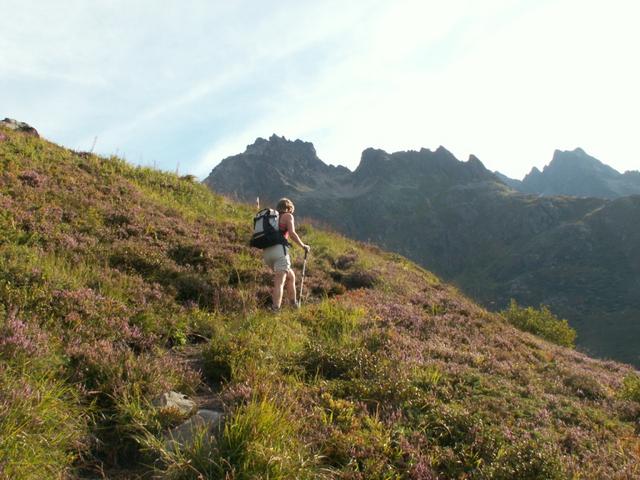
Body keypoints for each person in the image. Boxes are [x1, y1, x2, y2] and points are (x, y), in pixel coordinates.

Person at [263, 198, 310, 311]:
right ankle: (275, 309)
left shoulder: (271, 218)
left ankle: (294, 305)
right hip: (280, 252)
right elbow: (292, 234)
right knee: (279, 282)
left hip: (267, 254)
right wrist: (303, 246)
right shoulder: (288, 216)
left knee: (291, 276)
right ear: (288, 208)